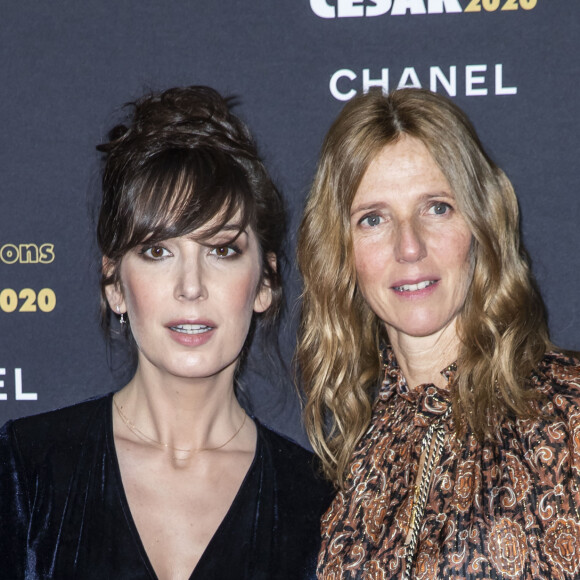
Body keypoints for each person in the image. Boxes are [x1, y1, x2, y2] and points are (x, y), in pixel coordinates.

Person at [0, 86, 331, 579]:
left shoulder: (319, 507)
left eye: (221, 250)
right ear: (115, 284)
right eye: (158, 252)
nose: (191, 287)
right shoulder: (27, 471)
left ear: (265, 283)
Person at [297, 88, 580, 579]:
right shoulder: (357, 452)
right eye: (373, 218)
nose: (409, 246)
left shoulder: (569, 412)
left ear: (481, 221)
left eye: (437, 208)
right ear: (341, 252)